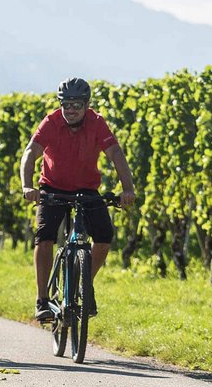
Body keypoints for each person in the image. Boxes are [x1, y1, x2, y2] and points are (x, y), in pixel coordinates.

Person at [19, 77, 136, 322]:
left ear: (86, 105)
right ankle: (42, 300)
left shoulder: (97, 122)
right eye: (66, 105)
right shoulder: (51, 122)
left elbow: (115, 152)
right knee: (45, 237)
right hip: (52, 188)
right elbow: (31, 152)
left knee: (104, 237)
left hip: (87, 189)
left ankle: (84, 284)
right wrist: (28, 186)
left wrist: (127, 188)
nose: (70, 111)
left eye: (76, 106)